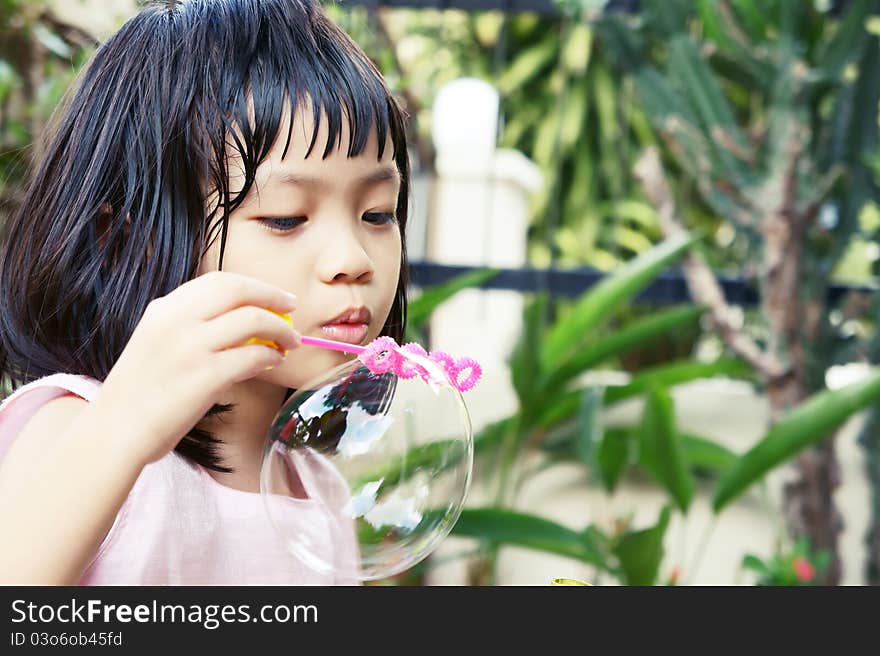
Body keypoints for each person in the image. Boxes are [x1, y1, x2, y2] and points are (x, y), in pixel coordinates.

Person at [0, 0, 410, 585]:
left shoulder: (320, 495)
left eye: (377, 213)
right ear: (127, 242)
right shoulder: (80, 431)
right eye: (286, 218)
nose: (353, 260)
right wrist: (124, 424)